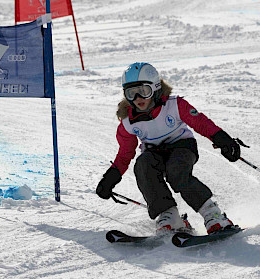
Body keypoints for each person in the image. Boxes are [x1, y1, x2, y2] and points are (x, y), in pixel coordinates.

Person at [96, 62, 241, 234]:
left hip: (182, 147)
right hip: (154, 153)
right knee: (143, 166)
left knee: (176, 171)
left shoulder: (174, 105)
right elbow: (125, 154)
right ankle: (169, 216)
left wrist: (224, 140)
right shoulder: (128, 122)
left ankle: (213, 215)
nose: (138, 99)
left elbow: (201, 123)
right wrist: (110, 178)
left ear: (156, 88)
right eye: (131, 93)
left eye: (143, 91)